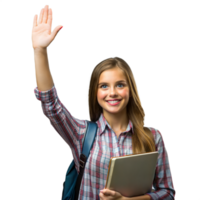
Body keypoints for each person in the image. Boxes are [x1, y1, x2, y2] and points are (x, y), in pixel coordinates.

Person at [31, 4, 175, 200]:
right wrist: (39, 51)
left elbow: (167, 193)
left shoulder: (154, 138)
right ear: (95, 93)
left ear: (130, 90)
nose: (112, 93)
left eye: (120, 85)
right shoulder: (81, 133)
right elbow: (50, 105)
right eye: (104, 86)